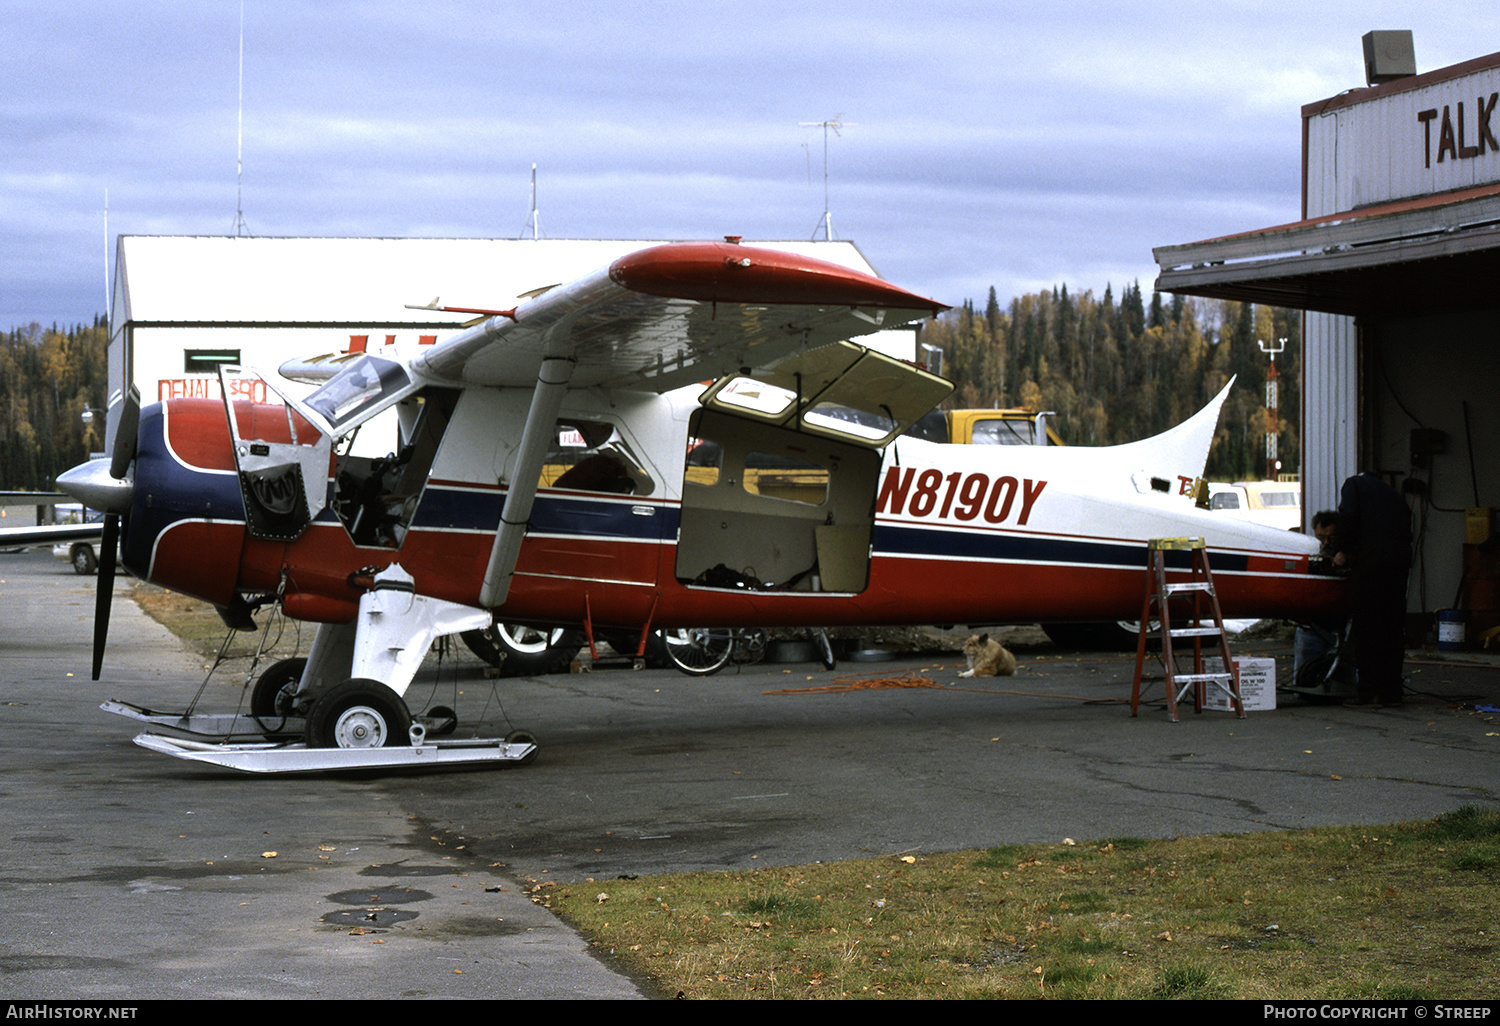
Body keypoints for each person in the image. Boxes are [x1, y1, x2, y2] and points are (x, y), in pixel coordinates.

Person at [1311, 473, 1412, 708]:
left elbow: (1349, 516)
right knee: (1392, 627)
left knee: (1368, 627)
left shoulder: (1353, 484)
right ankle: (1391, 692)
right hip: (1399, 560)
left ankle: (1369, 692)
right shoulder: (1391, 496)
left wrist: (1343, 550)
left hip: (1371, 561)